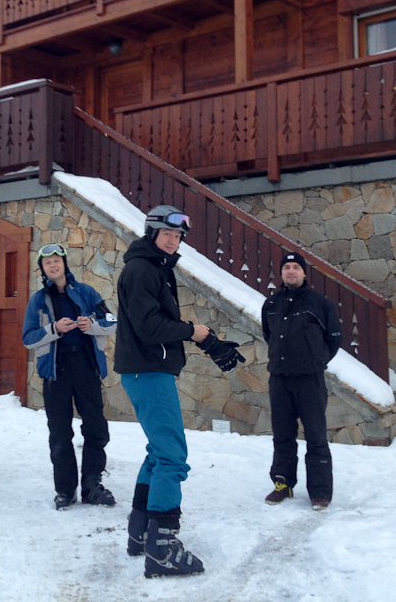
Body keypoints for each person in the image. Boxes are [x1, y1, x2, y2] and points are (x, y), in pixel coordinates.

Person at [115, 205, 244, 578]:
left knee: (158, 453)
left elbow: (159, 323)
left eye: (178, 236)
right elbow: (150, 327)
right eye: (167, 234)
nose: (173, 240)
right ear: (152, 233)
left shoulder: (154, 267)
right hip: (148, 371)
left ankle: (141, 533)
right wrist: (192, 331)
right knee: (172, 458)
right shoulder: (142, 269)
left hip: (147, 370)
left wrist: (205, 340)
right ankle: (163, 548)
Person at [22, 242, 117, 510]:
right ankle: (65, 490)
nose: (53, 265)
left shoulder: (87, 292)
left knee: (96, 428)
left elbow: (111, 321)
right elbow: (28, 338)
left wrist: (93, 325)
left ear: (64, 264)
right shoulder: (38, 300)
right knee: (60, 433)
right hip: (56, 372)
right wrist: (54, 328)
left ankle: (91, 485)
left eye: (57, 260)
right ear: (42, 268)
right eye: (47, 262)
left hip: (86, 367)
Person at [261, 251, 342, 511]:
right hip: (280, 380)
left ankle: (320, 492)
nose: (291, 272)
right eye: (287, 268)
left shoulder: (320, 303)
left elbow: (334, 339)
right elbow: (268, 335)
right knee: (282, 435)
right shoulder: (271, 304)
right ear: (281, 273)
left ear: (304, 273)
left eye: (296, 267)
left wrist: (316, 361)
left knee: (316, 436)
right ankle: (282, 484)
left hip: (310, 380)